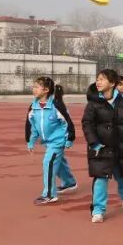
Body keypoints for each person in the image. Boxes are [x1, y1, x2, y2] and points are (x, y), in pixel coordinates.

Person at [82, 69, 123, 223]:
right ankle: (98, 210)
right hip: (101, 147)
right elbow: (87, 123)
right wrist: (94, 142)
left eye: (102, 79)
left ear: (112, 83)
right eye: (97, 79)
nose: (98, 82)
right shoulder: (93, 103)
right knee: (100, 178)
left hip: (121, 147)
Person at [25, 76, 77, 205]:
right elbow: (32, 126)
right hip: (47, 142)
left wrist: (69, 139)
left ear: (46, 90)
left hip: (58, 141)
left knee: (48, 163)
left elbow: (68, 123)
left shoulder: (56, 106)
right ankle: (69, 182)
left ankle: (49, 194)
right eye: (33, 87)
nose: (34, 89)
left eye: (37, 87)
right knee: (58, 162)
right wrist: (30, 141)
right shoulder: (33, 107)